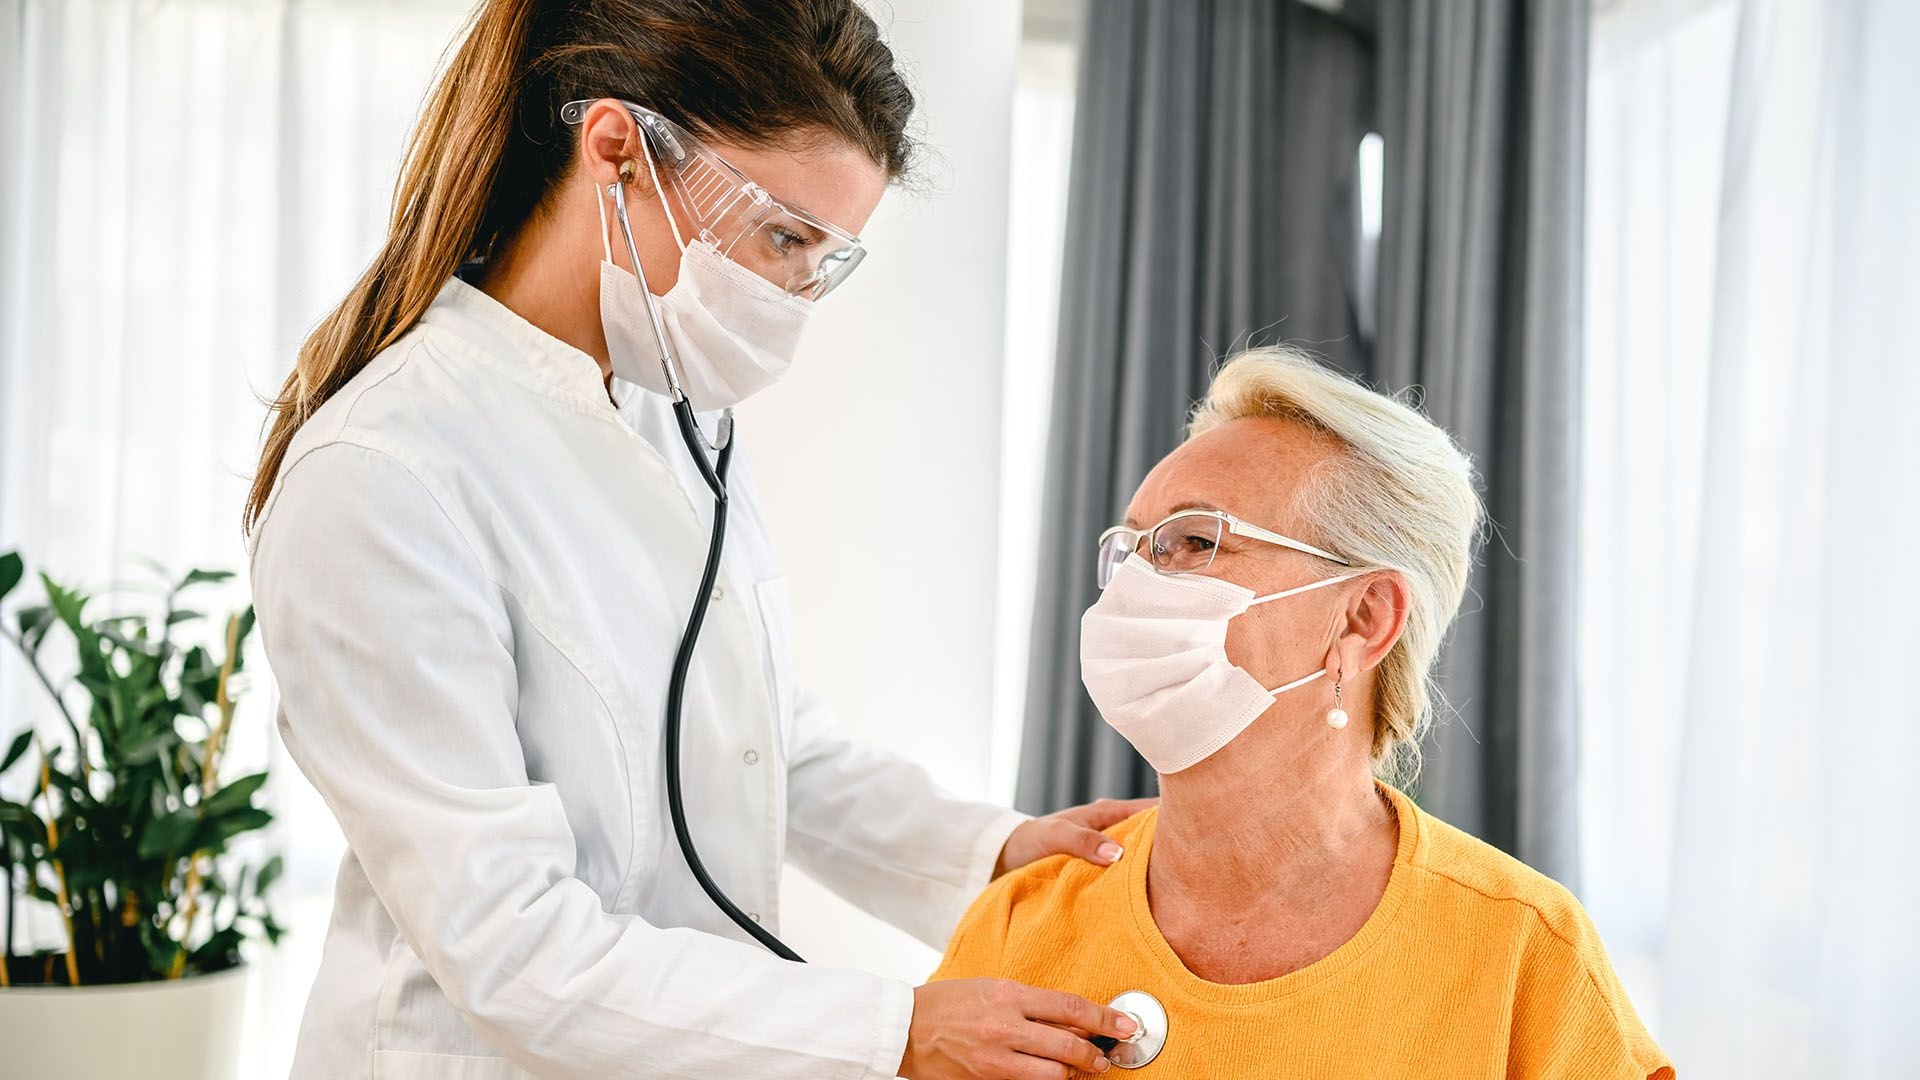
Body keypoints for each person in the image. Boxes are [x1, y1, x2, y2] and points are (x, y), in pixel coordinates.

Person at [247, 2, 1145, 1076]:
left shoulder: (677, 409)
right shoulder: (383, 471)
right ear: (618, 149)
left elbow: (758, 741)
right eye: (784, 236)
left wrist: (990, 852)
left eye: (824, 260)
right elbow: (512, 947)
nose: (794, 295)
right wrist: (894, 1031)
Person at [932, 347, 1675, 1078]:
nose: (1134, 585)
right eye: (1130, 549)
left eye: (1194, 541)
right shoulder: (1021, 920)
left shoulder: (1523, 951)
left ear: (1362, 619)